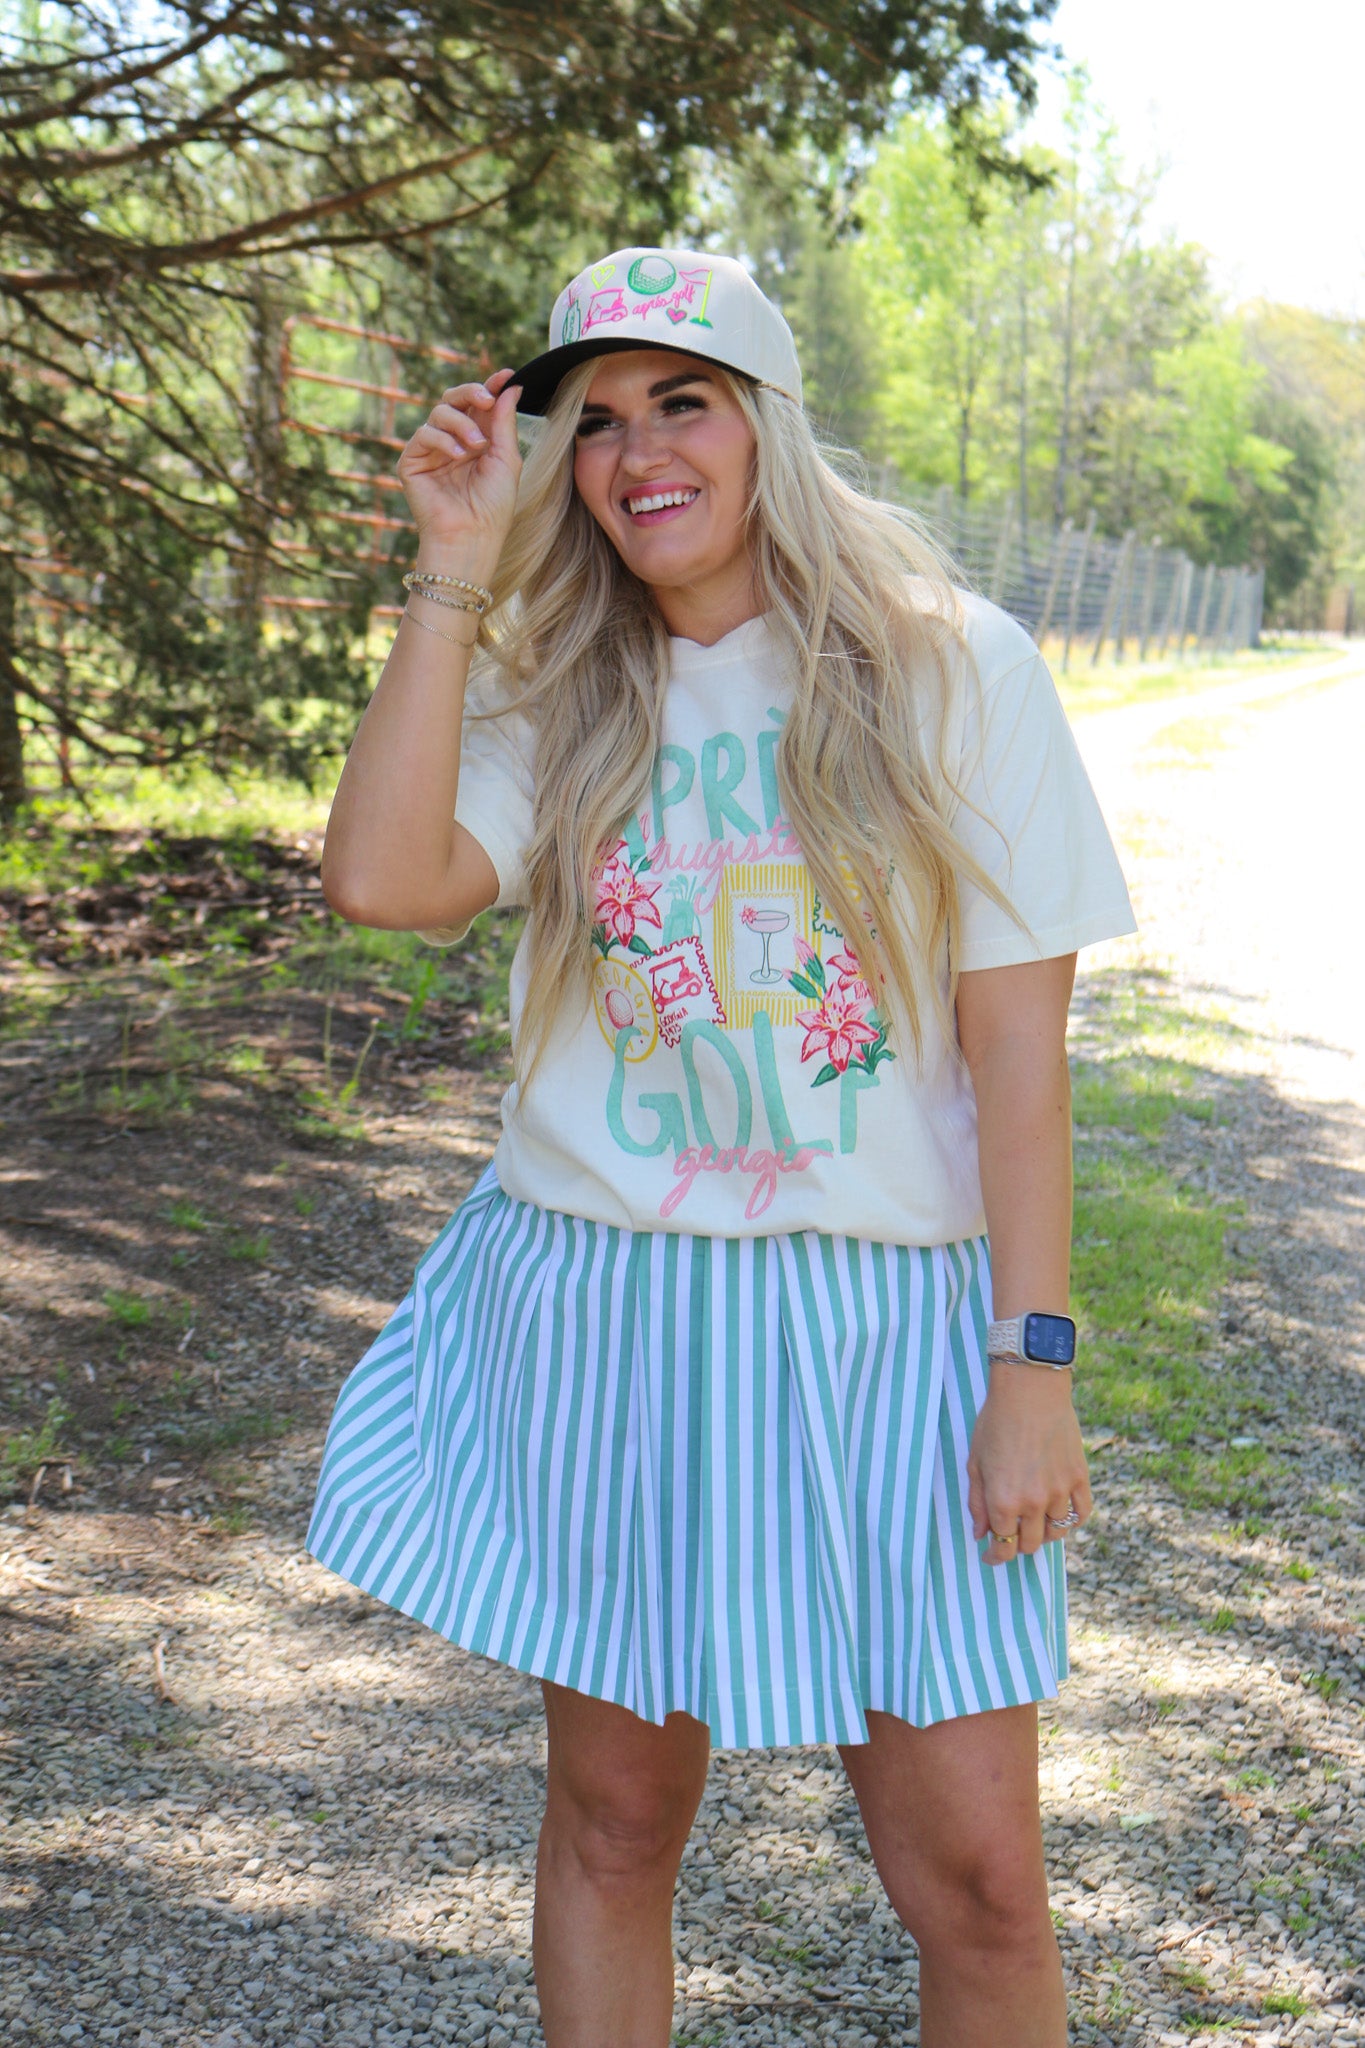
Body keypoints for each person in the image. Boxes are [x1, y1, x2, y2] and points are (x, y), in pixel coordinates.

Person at [308, 246, 1136, 2048]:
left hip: (883, 1328)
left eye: (680, 402)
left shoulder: (951, 667)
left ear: (766, 424)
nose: (638, 452)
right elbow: (380, 879)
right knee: (615, 1826)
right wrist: (451, 572)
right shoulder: (557, 685)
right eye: (596, 421)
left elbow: (1018, 1053)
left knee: (979, 1885)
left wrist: (1032, 1362)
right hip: (610, 1313)